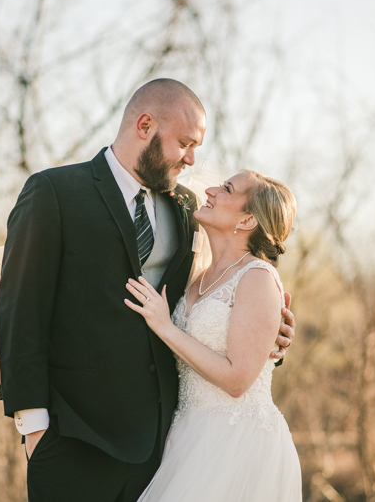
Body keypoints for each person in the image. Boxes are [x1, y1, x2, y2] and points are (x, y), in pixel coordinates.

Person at [0, 78, 296, 501]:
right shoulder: (55, 193)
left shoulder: (187, 209)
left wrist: (271, 338)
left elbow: (226, 302)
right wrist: (34, 429)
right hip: (73, 441)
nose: (192, 160)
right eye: (185, 143)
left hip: (163, 450)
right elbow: (19, 313)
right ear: (145, 125)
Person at [126, 170, 302, 501]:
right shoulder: (199, 276)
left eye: (226, 189)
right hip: (186, 434)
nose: (209, 190)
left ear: (247, 220)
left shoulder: (257, 278)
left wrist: (165, 326)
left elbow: (238, 379)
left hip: (237, 445)